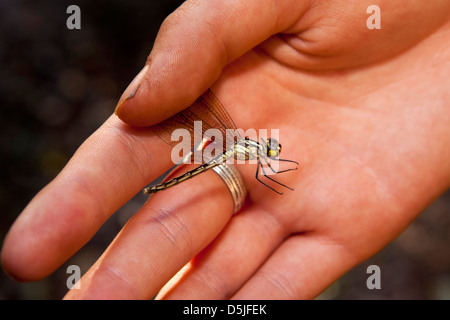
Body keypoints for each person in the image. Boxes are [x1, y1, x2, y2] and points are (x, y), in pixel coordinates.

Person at [2, 0, 450, 299]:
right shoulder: (242, 147)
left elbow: (271, 169)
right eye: (269, 147)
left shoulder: (255, 153)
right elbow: (271, 170)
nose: (270, 149)